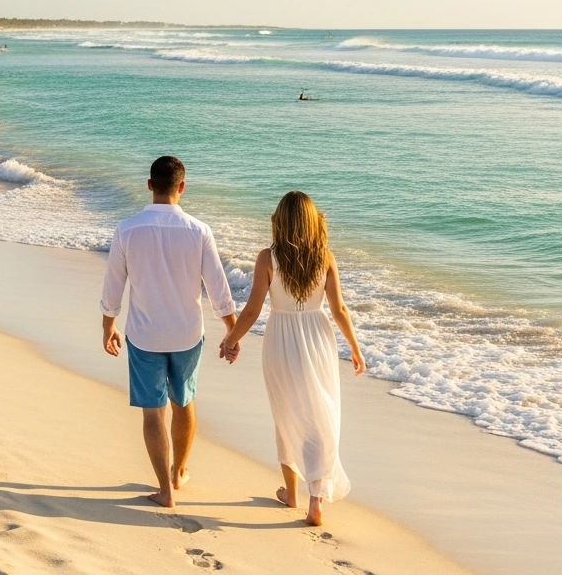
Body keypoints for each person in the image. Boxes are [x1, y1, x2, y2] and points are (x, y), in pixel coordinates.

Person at [100, 156, 238, 508]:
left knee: (153, 413)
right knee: (184, 401)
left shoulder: (127, 229)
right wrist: (231, 333)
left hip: (144, 335)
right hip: (187, 335)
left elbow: (114, 286)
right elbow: (218, 288)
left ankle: (165, 490)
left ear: (149, 185)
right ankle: (179, 471)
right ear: (182, 187)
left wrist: (108, 325)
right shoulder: (199, 231)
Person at [222, 191, 365, 526]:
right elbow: (339, 310)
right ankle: (315, 499)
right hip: (318, 338)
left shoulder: (267, 258)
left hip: (281, 340)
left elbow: (253, 309)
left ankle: (291, 493)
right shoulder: (325, 257)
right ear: (314, 221)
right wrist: (355, 348)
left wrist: (231, 339)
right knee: (318, 414)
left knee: (285, 412)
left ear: (279, 221)